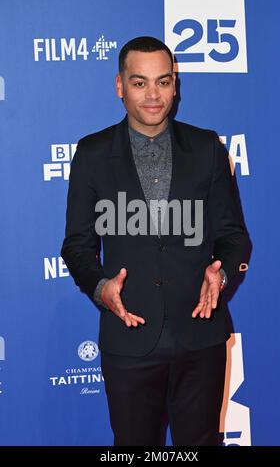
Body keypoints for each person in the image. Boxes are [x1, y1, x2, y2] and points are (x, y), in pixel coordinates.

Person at [61, 36, 250, 446]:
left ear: (175, 84)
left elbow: (234, 238)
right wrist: (99, 286)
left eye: (163, 82)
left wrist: (220, 277)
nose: (153, 95)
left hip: (200, 336)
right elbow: (77, 245)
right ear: (119, 85)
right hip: (128, 336)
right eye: (140, 82)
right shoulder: (92, 154)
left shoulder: (207, 148)